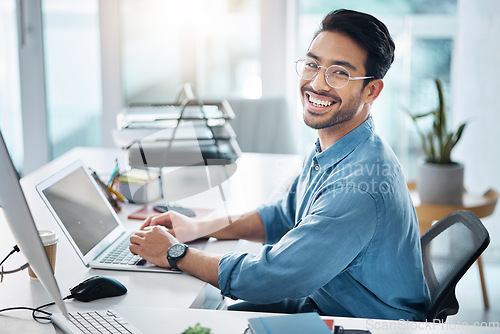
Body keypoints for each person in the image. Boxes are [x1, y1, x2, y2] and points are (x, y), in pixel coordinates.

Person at [130, 9, 430, 321]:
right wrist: (199, 227)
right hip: (324, 304)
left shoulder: (357, 186)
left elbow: (272, 277)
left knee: (186, 321)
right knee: (201, 319)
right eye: (312, 65)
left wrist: (176, 253)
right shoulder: (335, 146)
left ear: (371, 90)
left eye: (339, 73)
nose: (316, 83)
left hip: (362, 323)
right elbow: (283, 215)